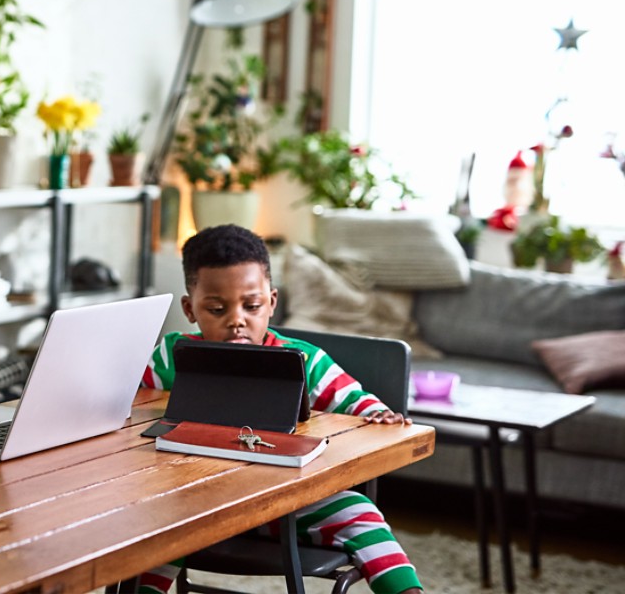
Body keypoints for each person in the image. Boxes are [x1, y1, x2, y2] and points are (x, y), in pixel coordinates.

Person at [137, 224, 423, 594]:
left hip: (286, 507)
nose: (236, 319)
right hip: (194, 507)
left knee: (361, 514)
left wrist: (378, 415)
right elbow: (128, 405)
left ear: (271, 302)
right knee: (146, 530)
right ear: (191, 309)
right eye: (217, 308)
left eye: (252, 306)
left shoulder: (304, 360)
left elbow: (361, 407)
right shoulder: (171, 356)